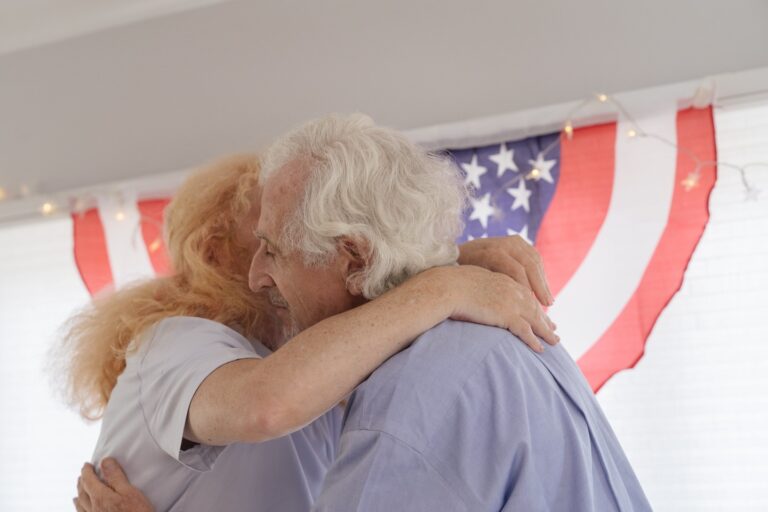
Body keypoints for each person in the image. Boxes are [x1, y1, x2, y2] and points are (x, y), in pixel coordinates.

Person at [68, 152, 558, 512]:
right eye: (267, 235)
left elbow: (351, 317)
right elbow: (265, 403)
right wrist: (442, 286)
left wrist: (440, 262)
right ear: (213, 254)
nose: (295, 243)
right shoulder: (176, 340)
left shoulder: (303, 356)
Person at [245, 114, 653, 511]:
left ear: (354, 261)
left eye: (273, 251)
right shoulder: (496, 331)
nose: (256, 277)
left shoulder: (411, 398)